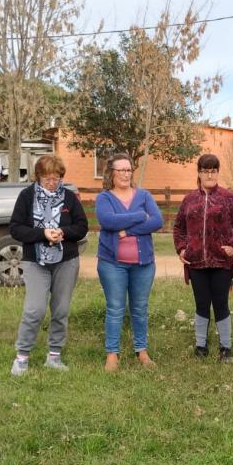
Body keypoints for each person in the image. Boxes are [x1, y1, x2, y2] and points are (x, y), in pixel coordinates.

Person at [8, 154, 88, 376]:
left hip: (67, 261)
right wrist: (43, 233)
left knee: (61, 309)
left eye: (56, 178)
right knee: (35, 310)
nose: (52, 183)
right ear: (38, 177)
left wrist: (64, 232)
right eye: (47, 179)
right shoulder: (26, 196)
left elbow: (82, 227)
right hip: (36, 261)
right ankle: (21, 358)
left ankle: (54, 356)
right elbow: (15, 228)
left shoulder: (70, 197)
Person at [95, 153, 164, 371]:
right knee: (115, 308)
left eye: (128, 170)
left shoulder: (143, 195)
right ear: (111, 173)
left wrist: (126, 230)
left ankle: (142, 352)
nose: (126, 174)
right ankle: (112, 355)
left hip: (143, 264)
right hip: (112, 263)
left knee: (140, 308)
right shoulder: (104, 198)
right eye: (121, 170)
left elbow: (157, 221)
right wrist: (139, 216)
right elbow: (107, 220)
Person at [174, 153, 233, 362]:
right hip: (196, 262)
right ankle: (200, 346)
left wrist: (232, 246)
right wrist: (181, 249)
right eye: (206, 171)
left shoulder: (228, 198)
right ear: (199, 173)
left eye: (213, 170)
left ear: (217, 173)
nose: (210, 174)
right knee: (201, 304)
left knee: (221, 303)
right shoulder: (189, 199)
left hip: (221, 261)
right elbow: (179, 227)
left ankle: (226, 348)